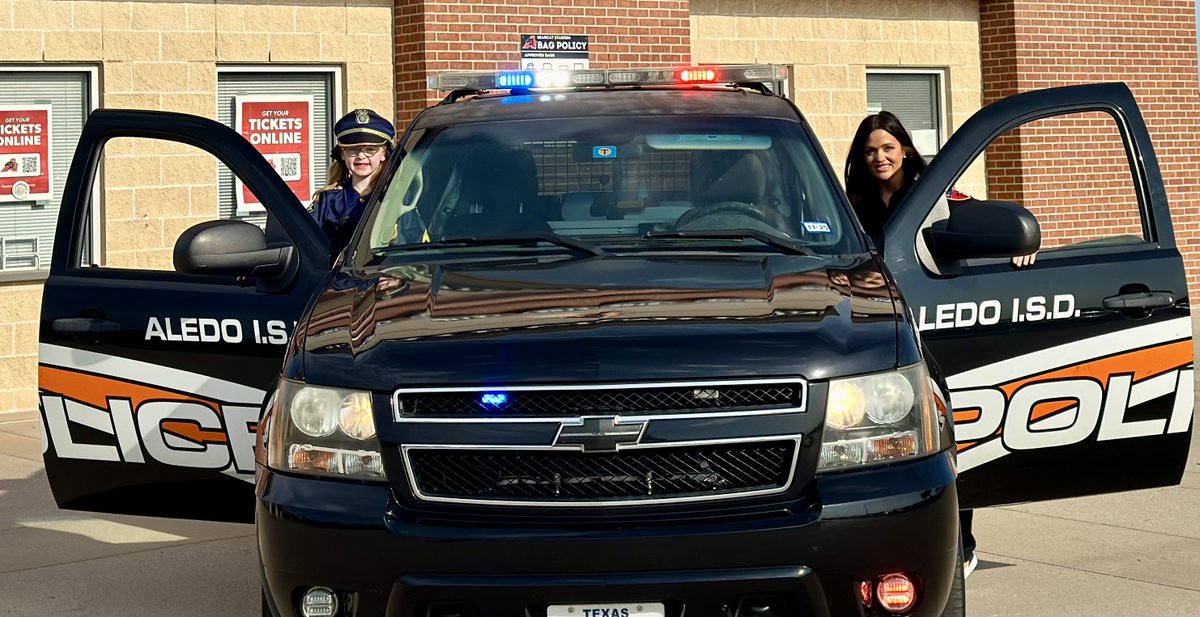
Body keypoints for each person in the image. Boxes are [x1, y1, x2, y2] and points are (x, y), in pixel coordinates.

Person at [844, 111, 1040, 581]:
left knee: (945, 434)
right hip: (877, 337)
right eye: (870, 151)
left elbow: (985, 222)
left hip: (937, 328)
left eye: (887, 148)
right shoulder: (850, 205)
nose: (879, 158)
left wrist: (1023, 247)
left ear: (906, 149)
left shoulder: (936, 196)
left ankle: (961, 545)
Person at [310, 108, 422, 263]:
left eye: (370, 149)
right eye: (353, 149)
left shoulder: (399, 198)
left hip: (386, 276)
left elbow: (416, 247)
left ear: (384, 153)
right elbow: (307, 246)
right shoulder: (327, 201)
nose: (361, 156)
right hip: (339, 278)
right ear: (342, 154)